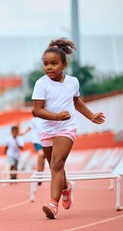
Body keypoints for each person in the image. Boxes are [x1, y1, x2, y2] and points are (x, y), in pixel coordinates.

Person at [32, 38, 105, 219]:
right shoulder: (41, 84)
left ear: (64, 65)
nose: (49, 67)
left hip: (66, 128)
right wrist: (56, 116)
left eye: (54, 64)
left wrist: (91, 115)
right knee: (55, 167)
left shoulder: (72, 82)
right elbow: (37, 110)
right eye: (46, 64)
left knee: (57, 164)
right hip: (48, 129)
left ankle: (53, 203)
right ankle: (66, 187)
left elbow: (76, 101)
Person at [22, 110, 46, 185]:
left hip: (45, 141)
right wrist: (23, 133)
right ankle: (39, 173)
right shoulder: (34, 120)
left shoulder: (45, 118)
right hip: (37, 141)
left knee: (43, 159)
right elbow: (29, 127)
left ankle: (40, 174)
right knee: (41, 154)